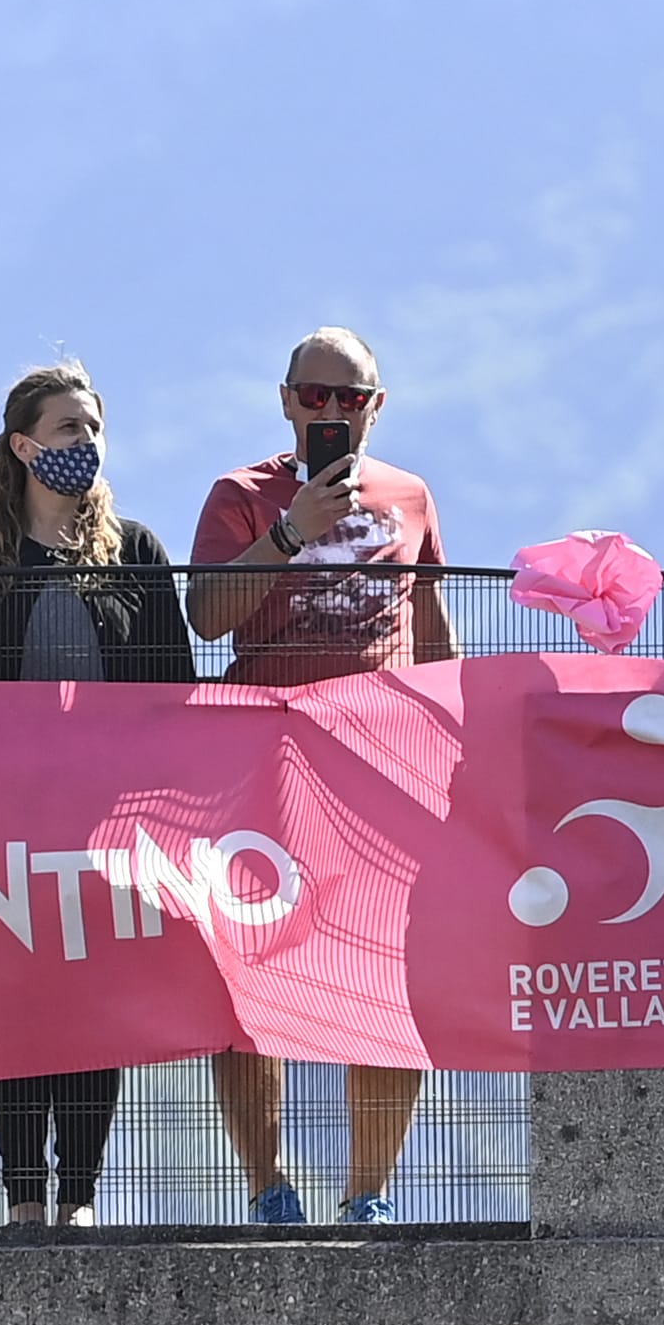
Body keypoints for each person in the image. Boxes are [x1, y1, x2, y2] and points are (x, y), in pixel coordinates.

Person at [0, 363, 198, 1228]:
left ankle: (78, 1196)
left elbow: (172, 688)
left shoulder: (135, 552)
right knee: (12, 1006)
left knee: (92, 1009)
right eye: (70, 429)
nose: (87, 445)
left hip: (104, 827)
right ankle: (22, 1197)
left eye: (95, 429)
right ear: (25, 445)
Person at [185, 328, 451, 1224]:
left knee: (385, 971)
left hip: (382, 768)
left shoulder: (411, 496)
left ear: (377, 406)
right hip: (265, 763)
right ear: (287, 400)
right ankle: (266, 1187)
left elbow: (431, 629)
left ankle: (367, 1194)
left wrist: (459, 747)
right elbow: (209, 614)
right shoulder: (241, 496)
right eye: (316, 397)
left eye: (353, 399)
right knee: (245, 971)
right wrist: (292, 531)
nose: (332, 413)